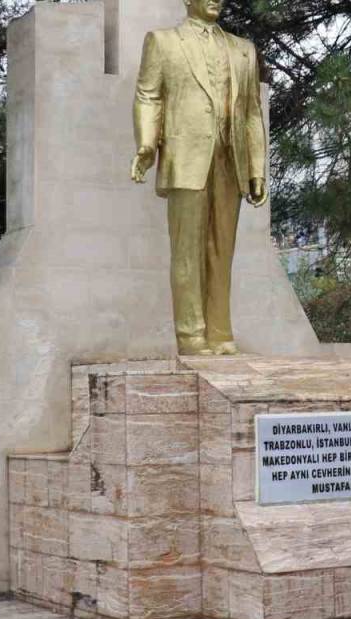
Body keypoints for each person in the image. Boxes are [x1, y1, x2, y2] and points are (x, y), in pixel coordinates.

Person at [131, 0, 269, 356]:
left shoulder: (243, 50)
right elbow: (148, 95)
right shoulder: (163, 42)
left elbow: (252, 112)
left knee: (222, 250)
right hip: (186, 159)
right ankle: (191, 335)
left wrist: (256, 168)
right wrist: (147, 146)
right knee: (187, 251)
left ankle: (221, 333)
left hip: (231, 159)